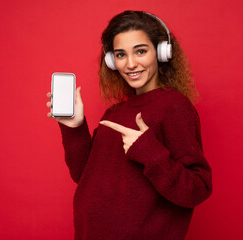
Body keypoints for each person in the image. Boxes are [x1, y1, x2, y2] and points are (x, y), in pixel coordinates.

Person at [46, 10, 212, 240]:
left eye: (141, 51)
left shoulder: (174, 106)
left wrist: (149, 151)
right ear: (112, 61)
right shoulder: (115, 112)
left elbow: (197, 188)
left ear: (162, 53)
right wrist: (75, 127)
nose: (131, 63)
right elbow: (84, 177)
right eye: (121, 55)